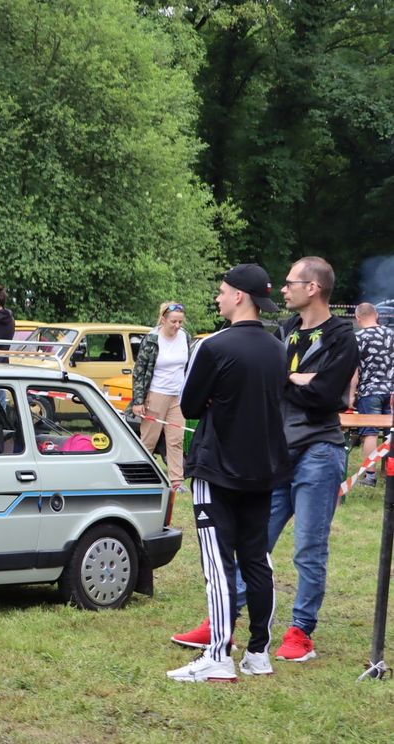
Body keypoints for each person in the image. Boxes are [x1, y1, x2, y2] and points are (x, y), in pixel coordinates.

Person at [173, 257, 359, 664]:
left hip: (320, 450)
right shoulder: (285, 332)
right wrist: (293, 379)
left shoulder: (342, 336)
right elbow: (275, 385)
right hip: (278, 452)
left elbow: (328, 395)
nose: (284, 288)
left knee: (309, 546)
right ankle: (225, 620)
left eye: (291, 282)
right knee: (256, 548)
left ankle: (300, 631)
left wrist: (290, 381)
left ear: (313, 288)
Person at [166, 264, 291, 682]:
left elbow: (189, 405)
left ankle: (218, 654)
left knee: (218, 564)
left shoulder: (212, 345)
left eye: (222, 291)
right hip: (263, 469)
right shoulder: (277, 347)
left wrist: (216, 402)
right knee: (258, 559)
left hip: (217, 467)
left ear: (240, 296)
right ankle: (259, 653)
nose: (218, 298)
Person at [130, 302, 194, 492]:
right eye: (173, 321)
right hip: (156, 393)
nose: (177, 326)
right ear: (163, 319)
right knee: (149, 438)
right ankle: (138, 474)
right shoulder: (151, 339)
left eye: (180, 322)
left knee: (176, 439)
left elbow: (188, 365)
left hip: (178, 395)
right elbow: (139, 372)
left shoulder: (185, 337)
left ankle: (177, 480)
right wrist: (138, 400)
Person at [351, 302, 394, 486]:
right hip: (392, 391)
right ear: (376, 315)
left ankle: (370, 476)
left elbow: (354, 370)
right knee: (391, 433)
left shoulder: (358, 338)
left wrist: (351, 394)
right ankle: (390, 474)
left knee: (370, 433)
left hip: (370, 392)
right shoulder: (392, 334)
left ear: (358, 318)